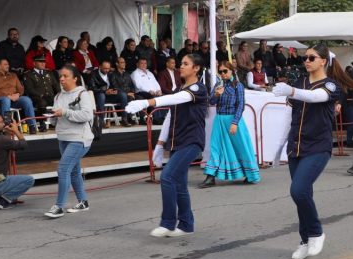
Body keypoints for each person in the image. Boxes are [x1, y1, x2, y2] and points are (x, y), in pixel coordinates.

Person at [271, 44, 353, 259]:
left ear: (323, 61)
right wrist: (278, 148)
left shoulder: (331, 85)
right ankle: (305, 239)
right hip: (296, 146)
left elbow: (315, 97)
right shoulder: (300, 82)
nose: (306, 61)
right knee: (302, 195)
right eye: (305, 57)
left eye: (311, 57)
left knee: (298, 190)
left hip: (318, 146)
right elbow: (289, 116)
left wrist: (291, 91)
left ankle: (316, 232)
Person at [125, 54, 209, 236]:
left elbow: (174, 99)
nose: (181, 66)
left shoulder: (198, 88)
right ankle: (186, 225)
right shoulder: (179, 88)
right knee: (179, 184)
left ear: (196, 68)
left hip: (192, 141)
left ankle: (168, 223)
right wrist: (159, 145)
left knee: (167, 177)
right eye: (181, 63)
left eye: (186, 64)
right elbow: (170, 117)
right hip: (177, 141)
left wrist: (147, 102)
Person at [44, 65, 95, 218]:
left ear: (75, 78)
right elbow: (56, 118)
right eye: (60, 76)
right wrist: (52, 117)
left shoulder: (82, 94)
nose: (61, 79)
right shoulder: (58, 96)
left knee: (63, 169)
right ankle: (83, 202)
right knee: (73, 171)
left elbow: (87, 115)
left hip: (79, 138)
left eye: (65, 76)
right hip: (63, 137)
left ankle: (59, 206)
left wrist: (65, 112)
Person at [200, 61, 260, 188]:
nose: (222, 74)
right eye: (220, 72)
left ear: (232, 71)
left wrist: (235, 122)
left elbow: (240, 105)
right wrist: (216, 95)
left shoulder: (238, 86)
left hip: (233, 120)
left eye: (225, 71)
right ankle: (210, 177)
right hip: (219, 120)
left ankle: (250, 174)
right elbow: (211, 101)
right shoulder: (218, 85)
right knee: (216, 147)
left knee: (241, 147)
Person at [0, 58, 37, 132]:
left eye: (8, 64)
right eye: (5, 64)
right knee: (6, 100)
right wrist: (7, 96)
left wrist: (18, 94)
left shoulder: (13, 75)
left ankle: (32, 125)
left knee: (27, 100)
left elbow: (21, 89)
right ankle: (7, 126)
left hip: (14, 99)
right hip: (1, 100)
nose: (8, 66)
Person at [86, 59, 131, 126]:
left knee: (123, 95)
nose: (107, 70)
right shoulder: (93, 74)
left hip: (110, 95)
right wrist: (105, 91)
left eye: (108, 68)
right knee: (101, 96)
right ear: (100, 67)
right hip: (98, 96)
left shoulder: (110, 74)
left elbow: (115, 85)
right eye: (105, 68)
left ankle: (124, 119)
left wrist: (114, 90)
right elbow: (92, 88)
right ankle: (101, 121)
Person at [23, 53, 60, 130]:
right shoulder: (29, 74)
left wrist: (60, 94)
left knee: (59, 100)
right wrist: (40, 95)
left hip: (50, 96)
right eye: (40, 62)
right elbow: (29, 89)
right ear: (34, 63)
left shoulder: (49, 73)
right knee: (42, 102)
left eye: (44, 62)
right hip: (37, 98)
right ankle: (42, 123)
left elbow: (56, 85)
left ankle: (58, 123)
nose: (43, 64)